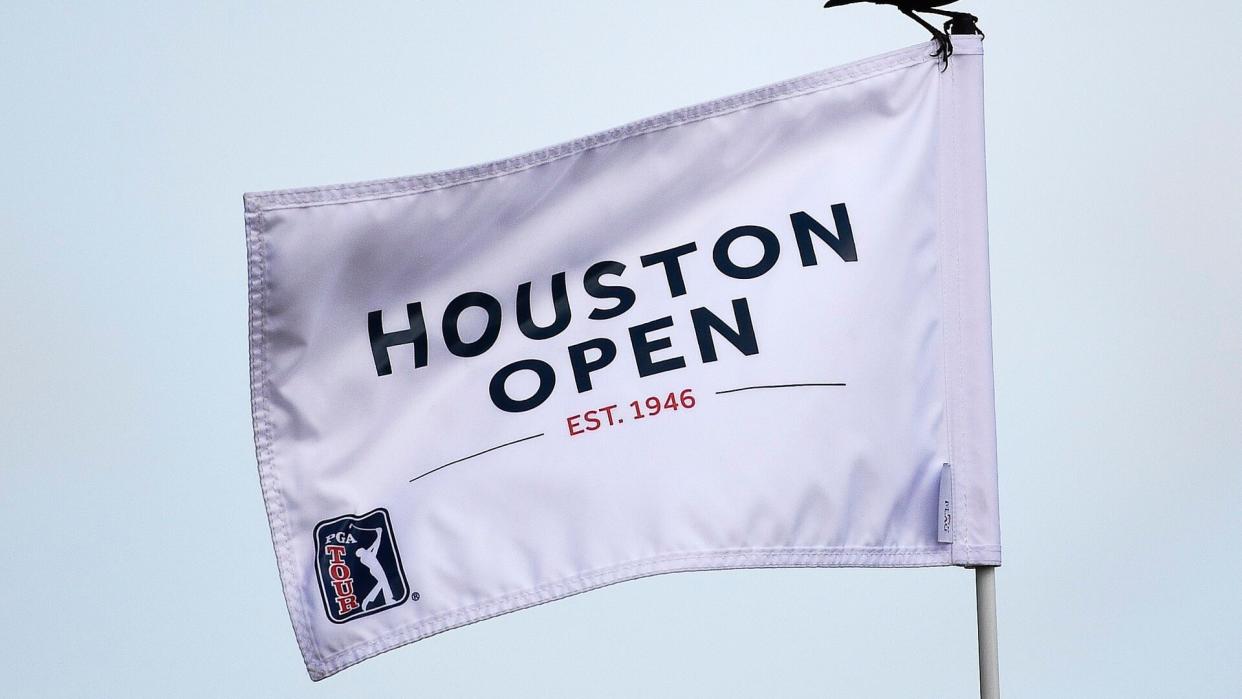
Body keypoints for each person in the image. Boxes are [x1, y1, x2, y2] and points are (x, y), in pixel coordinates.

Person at [354, 527, 396, 609]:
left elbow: (373, 546)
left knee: (383, 582)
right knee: (382, 582)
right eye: (361, 549)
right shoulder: (365, 557)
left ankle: (387, 599)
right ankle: (368, 600)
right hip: (376, 570)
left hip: (376, 569)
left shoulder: (366, 555)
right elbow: (375, 546)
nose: (363, 548)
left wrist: (378, 534)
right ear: (361, 553)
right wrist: (379, 534)